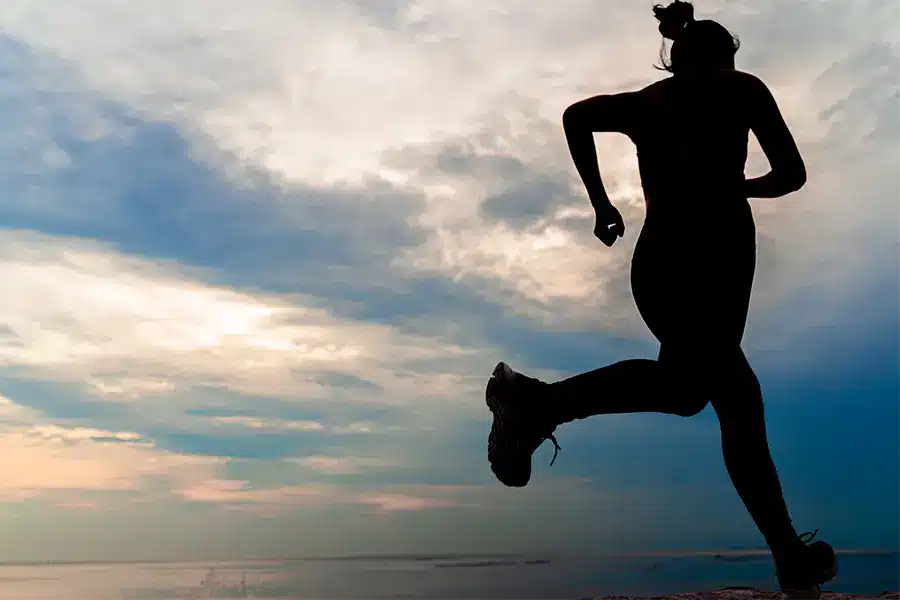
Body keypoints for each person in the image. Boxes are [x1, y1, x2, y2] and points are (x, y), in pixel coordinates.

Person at [484, 1, 838, 596]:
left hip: (678, 265)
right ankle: (789, 558)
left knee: (690, 393)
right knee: (730, 396)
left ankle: (533, 404)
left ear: (678, 59)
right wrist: (735, 185)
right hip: (704, 263)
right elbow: (791, 174)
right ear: (722, 56)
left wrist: (602, 201)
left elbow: (576, 117)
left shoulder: (653, 102)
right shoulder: (742, 91)